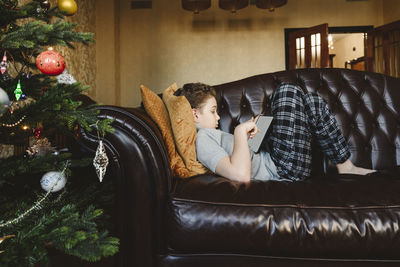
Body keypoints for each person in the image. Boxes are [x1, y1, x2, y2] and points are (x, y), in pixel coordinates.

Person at [176, 82, 375, 183]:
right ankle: (345, 166)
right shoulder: (202, 139)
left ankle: (345, 166)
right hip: (282, 168)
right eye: (212, 112)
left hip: (274, 156)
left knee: (312, 102)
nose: (218, 118)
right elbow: (240, 175)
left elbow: (246, 156)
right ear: (194, 114)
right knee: (287, 90)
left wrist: (249, 135)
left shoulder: (213, 135)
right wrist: (239, 132)